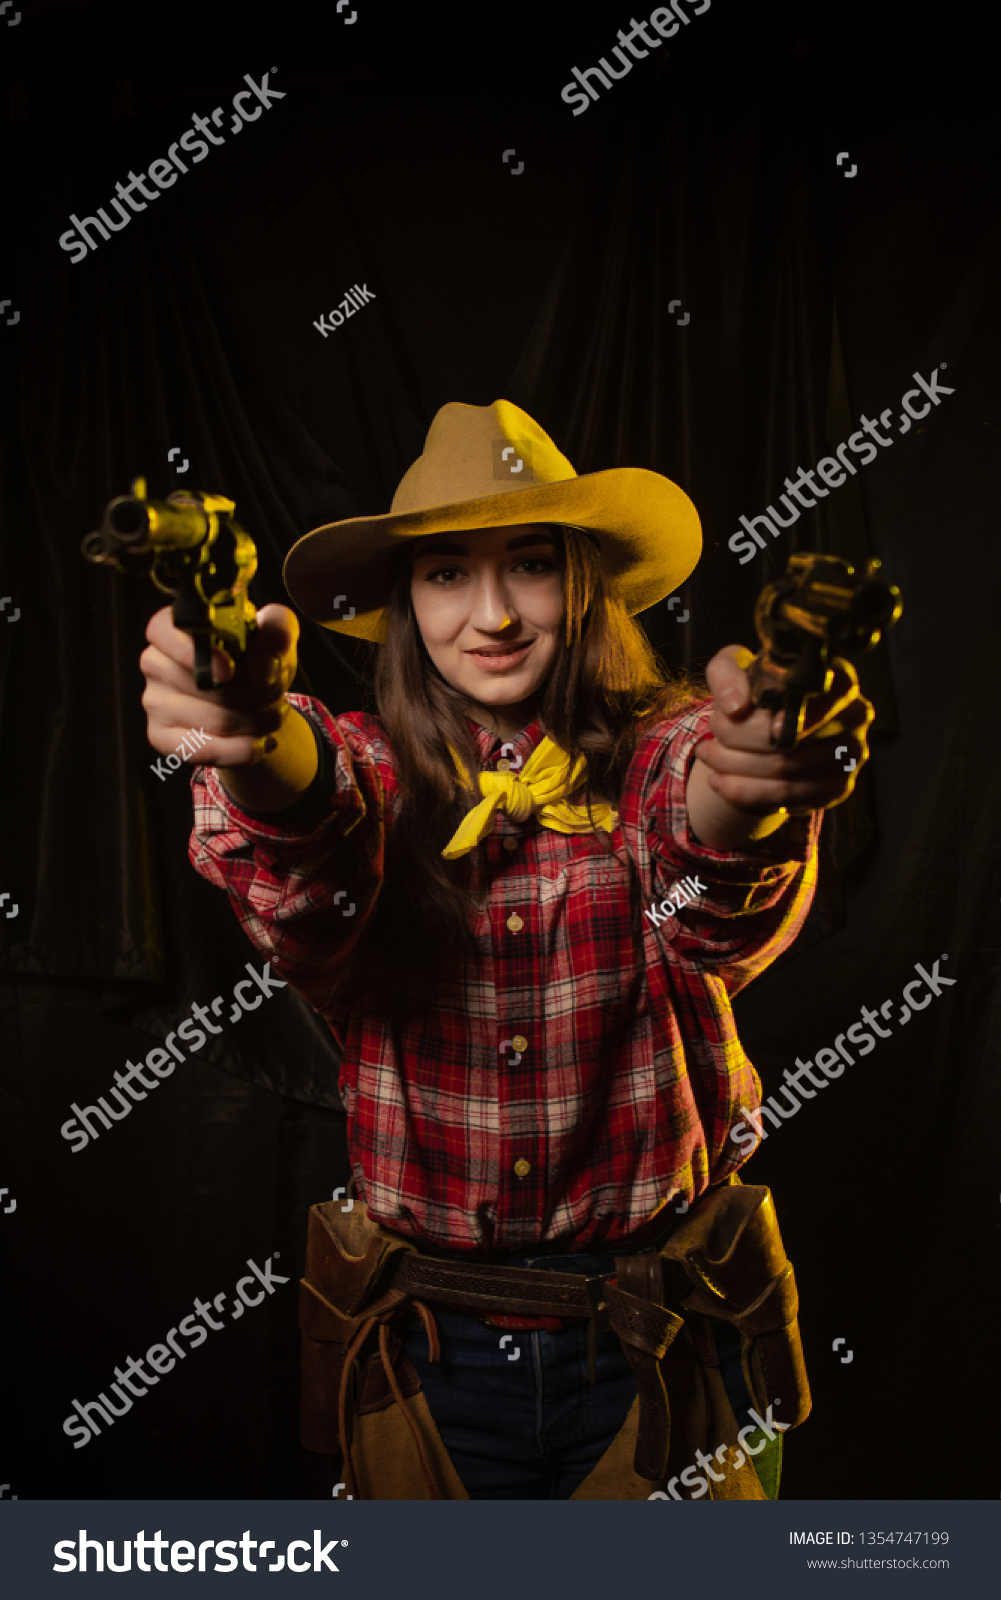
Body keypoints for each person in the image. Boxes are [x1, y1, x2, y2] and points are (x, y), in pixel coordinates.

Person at [139, 400, 873, 1501]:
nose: (490, 614)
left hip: (657, 1349)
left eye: (528, 564)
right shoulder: (375, 777)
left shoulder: (656, 758)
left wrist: (748, 784)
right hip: (429, 1362)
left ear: (582, 585)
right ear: (403, 605)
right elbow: (312, 831)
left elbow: (703, 846)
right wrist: (248, 736)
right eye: (444, 574)